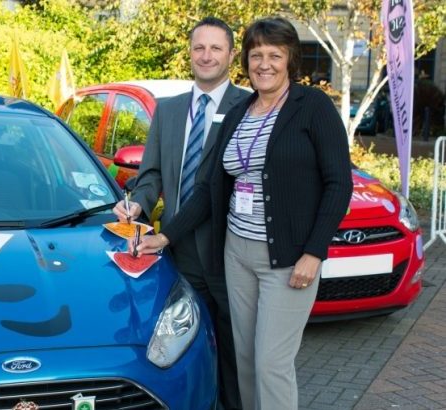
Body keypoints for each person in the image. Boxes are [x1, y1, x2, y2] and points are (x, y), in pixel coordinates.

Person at [134, 17, 353, 410]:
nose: (264, 64)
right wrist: (166, 235)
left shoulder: (312, 107)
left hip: (287, 259)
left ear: (289, 61)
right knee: (247, 360)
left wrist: (315, 251)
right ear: (246, 61)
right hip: (237, 255)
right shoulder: (241, 113)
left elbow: (339, 184)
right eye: (257, 56)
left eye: (274, 55)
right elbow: (209, 189)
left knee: (272, 363)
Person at [113, 16, 248, 410]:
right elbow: (152, 172)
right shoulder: (168, 110)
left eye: (216, 48)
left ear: (231, 55)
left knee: (235, 351)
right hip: (178, 250)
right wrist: (139, 199)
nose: (206, 56)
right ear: (189, 53)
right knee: (183, 347)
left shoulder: (249, 106)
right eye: (199, 48)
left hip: (231, 251)